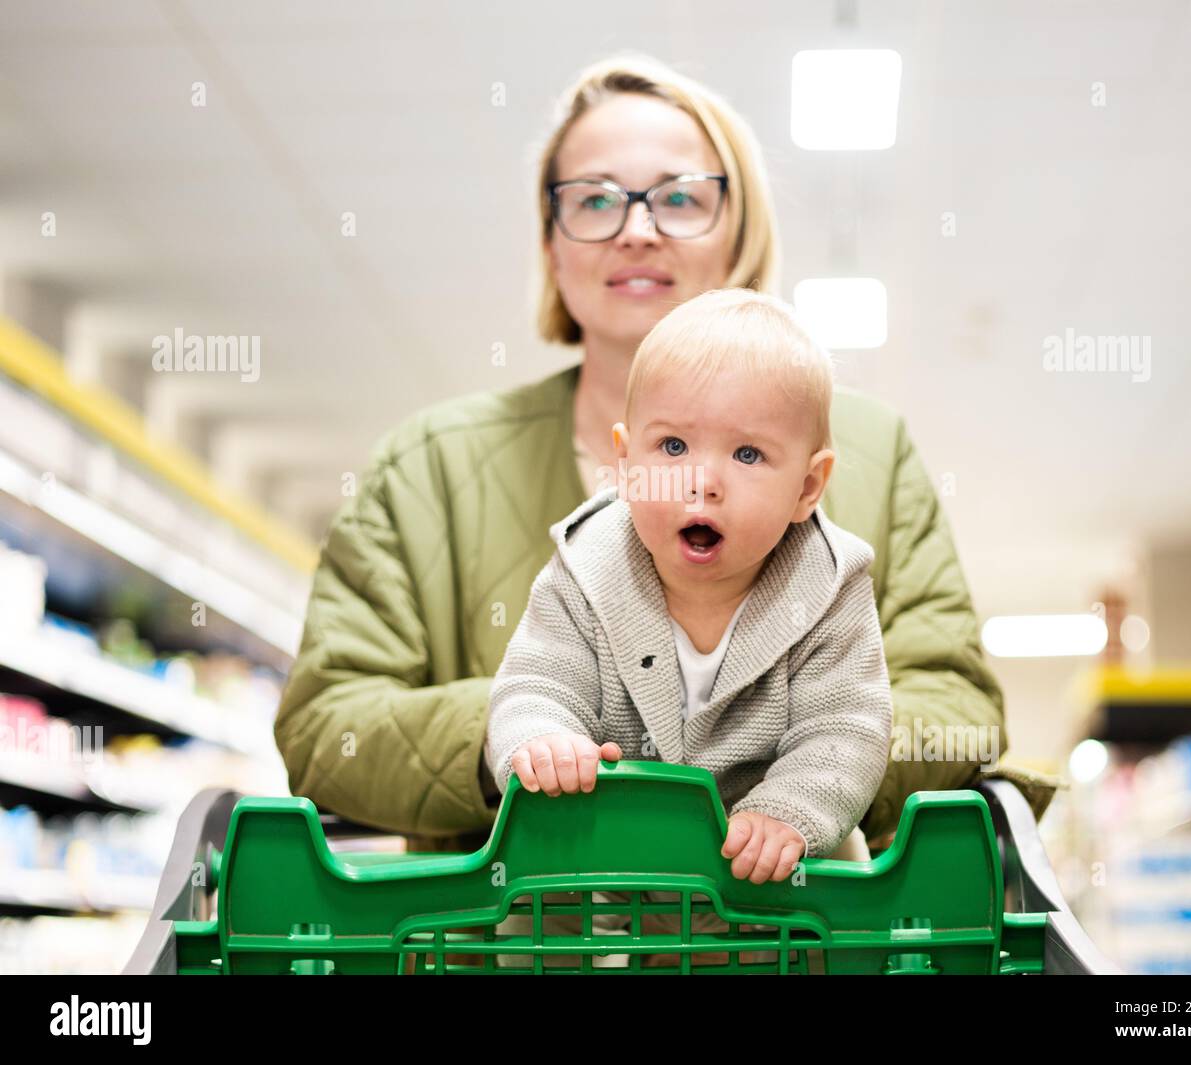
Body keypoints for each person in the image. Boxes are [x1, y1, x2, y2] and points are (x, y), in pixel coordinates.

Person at [273, 52, 1060, 858]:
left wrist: (801, 773)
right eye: (595, 200)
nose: (637, 228)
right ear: (551, 243)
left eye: (680, 197)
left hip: (783, 936)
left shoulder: (873, 452)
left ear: (740, 234)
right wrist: (532, 729)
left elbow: (957, 708)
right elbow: (324, 722)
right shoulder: (427, 469)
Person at [487, 288, 893, 883]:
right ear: (625, 464)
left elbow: (845, 728)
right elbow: (536, 680)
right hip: (607, 881)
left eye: (748, 454)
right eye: (673, 446)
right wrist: (544, 738)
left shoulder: (828, 589)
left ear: (808, 486)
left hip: (768, 895)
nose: (702, 482)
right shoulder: (586, 569)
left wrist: (787, 813)